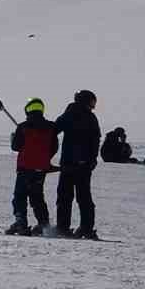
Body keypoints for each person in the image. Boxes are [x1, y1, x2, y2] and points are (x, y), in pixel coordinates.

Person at [53, 90, 101, 239]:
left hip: (69, 163)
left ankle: (63, 227)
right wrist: (92, 159)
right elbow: (96, 140)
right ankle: (86, 228)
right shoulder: (91, 118)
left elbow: (54, 129)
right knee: (84, 197)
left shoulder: (69, 114)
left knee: (65, 196)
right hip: (84, 164)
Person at [7, 98, 58, 235]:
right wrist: (43, 158)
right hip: (41, 168)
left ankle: (21, 222)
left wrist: (13, 138)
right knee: (37, 196)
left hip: (25, 168)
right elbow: (54, 148)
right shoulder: (51, 127)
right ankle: (43, 224)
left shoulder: (23, 127)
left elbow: (16, 146)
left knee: (20, 195)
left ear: (27, 109)